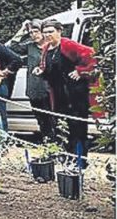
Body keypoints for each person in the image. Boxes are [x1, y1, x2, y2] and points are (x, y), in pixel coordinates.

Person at [40, 18, 97, 163]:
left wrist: (80, 71)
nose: (47, 35)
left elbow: (91, 55)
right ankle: (66, 157)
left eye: (50, 31)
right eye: (45, 32)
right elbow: (50, 69)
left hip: (75, 94)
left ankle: (80, 160)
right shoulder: (47, 49)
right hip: (58, 95)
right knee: (62, 126)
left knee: (77, 127)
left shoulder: (68, 45)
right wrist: (42, 71)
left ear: (59, 31)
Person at [7, 19, 54, 142]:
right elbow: (13, 46)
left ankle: (56, 144)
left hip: (50, 90)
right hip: (34, 89)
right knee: (41, 121)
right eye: (31, 33)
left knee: (52, 120)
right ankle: (47, 144)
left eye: (36, 31)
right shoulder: (30, 46)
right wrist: (22, 30)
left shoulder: (51, 46)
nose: (34, 35)